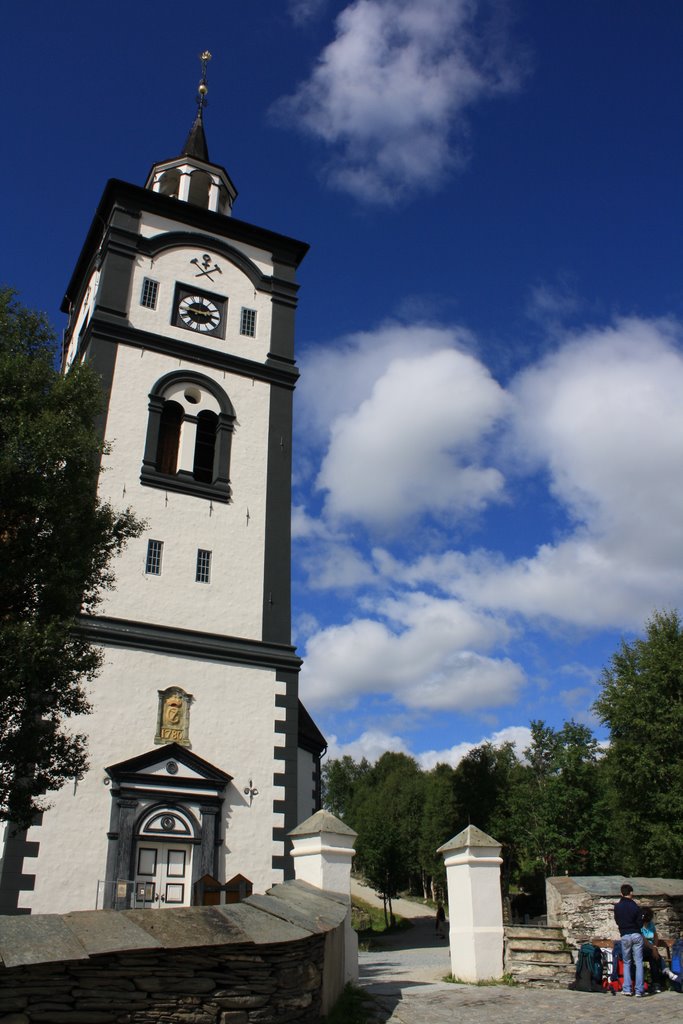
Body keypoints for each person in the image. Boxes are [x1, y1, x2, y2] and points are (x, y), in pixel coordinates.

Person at [613, 883, 645, 996]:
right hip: (636, 934)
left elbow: (617, 921)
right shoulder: (636, 907)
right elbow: (640, 923)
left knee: (627, 962)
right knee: (639, 962)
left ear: (621, 893)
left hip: (625, 935)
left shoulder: (617, 907)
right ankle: (639, 990)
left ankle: (627, 988)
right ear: (631, 893)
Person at [641, 906, 679, 991]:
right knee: (654, 955)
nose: (647, 923)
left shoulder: (651, 924)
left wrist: (654, 946)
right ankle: (664, 971)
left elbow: (655, 936)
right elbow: (643, 940)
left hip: (651, 950)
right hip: (642, 949)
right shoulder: (639, 925)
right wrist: (653, 948)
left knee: (654, 958)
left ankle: (656, 983)